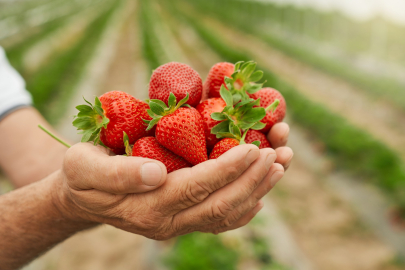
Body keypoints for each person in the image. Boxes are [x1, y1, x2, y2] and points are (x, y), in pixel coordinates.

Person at [0, 46, 293, 269]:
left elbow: (33, 163)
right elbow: (56, 188)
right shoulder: (170, 120)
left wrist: (94, 184)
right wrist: (63, 200)